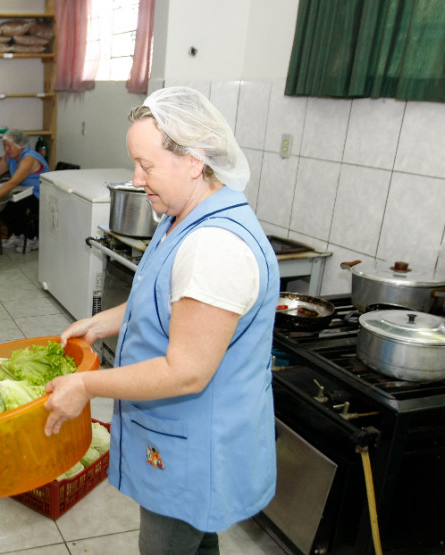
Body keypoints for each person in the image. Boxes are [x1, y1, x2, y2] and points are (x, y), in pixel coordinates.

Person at [42, 87, 279, 555]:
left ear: (193, 161)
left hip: (195, 450)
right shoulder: (182, 217)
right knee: (198, 543)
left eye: (146, 166)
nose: (137, 178)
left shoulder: (214, 247)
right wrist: (104, 322)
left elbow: (185, 371)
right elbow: (169, 302)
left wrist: (86, 386)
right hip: (182, 437)